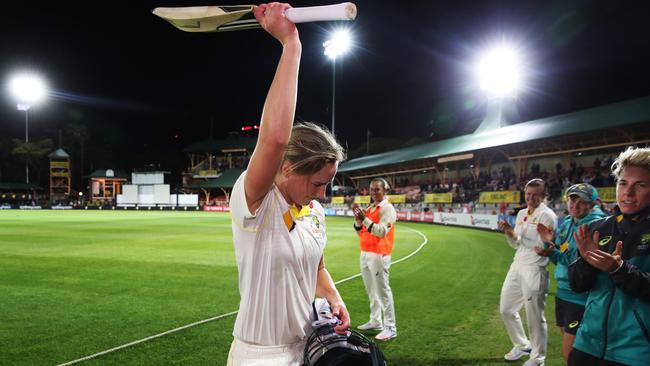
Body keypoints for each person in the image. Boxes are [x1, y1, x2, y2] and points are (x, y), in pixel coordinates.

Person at [227, 4, 349, 365]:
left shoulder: (314, 213)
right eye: (316, 183)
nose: (322, 194)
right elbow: (275, 140)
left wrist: (334, 297)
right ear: (287, 168)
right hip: (259, 356)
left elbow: (318, 268)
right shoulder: (256, 202)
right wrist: (290, 44)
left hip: (309, 349)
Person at [568, 147, 650, 366]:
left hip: (635, 353)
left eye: (640, 185)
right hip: (586, 344)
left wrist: (619, 270)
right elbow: (577, 284)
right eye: (623, 183)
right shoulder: (598, 228)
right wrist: (586, 262)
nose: (628, 192)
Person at [535, 183, 606, 361]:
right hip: (564, 293)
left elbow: (578, 262)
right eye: (572, 200)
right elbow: (560, 256)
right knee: (570, 342)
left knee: (570, 354)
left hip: (581, 296)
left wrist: (552, 250)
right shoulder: (567, 222)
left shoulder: (596, 225)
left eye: (581, 201)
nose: (575, 205)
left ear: (592, 204)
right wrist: (547, 245)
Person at [497, 178, 557, 366]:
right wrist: (509, 231)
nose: (530, 198)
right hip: (517, 265)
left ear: (543, 195)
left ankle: (538, 358)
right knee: (506, 309)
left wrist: (526, 240)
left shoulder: (548, 216)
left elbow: (542, 246)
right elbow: (517, 243)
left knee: (535, 316)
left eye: (535, 194)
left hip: (535, 269)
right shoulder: (523, 212)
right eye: (528, 194)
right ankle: (522, 344)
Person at [352, 177, 398, 341]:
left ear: (385, 191)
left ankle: (390, 327)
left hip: (379, 254)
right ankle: (376, 321)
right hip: (365, 252)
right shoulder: (371, 208)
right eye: (371, 189)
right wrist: (358, 221)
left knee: (383, 291)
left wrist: (364, 218)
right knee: (371, 291)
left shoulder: (388, 209)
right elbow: (362, 233)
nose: (373, 192)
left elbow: (381, 232)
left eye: (377, 189)